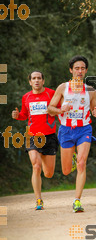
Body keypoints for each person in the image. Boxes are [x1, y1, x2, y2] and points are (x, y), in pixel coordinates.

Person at [48, 55, 96, 213]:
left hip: (84, 129)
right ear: (71, 70)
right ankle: (72, 158)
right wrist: (60, 110)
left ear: (86, 71)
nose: (80, 71)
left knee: (82, 163)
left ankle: (77, 200)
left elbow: (94, 107)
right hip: (66, 130)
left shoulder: (90, 90)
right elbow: (50, 109)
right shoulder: (63, 88)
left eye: (83, 68)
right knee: (65, 170)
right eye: (76, 68)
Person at [12, 71, 59, 210]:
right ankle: (39, 200)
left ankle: (46, 166)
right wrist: (17, 116)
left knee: (48, 173)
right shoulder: (26, 97)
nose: (36, 80)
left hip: (49, 136)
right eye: (34, 78)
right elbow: (24, 115)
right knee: (36, 165)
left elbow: (59, 109)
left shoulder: (51, 93)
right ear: (30, 82)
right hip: (32, 136)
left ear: (43, 81)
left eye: (39, 78)